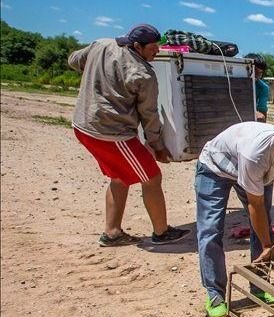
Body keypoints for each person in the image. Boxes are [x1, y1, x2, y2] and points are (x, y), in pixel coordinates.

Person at [68, 23, 190, 246]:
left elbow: (74, 60)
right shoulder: (143, 73)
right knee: (152, 177)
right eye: (153, 48)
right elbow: (149, 115)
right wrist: (157, 146)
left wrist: (97, 76)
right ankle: (162, 232)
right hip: (111, 133)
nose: (157, 51)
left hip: (83, 125)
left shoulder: (101, 45)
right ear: (137, 46)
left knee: (120, 175)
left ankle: (112, 232)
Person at [195, 110, 274, 317]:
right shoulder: (257, 152)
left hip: (259, 174)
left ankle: (259, 286)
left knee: (263, 226)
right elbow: (256, 203)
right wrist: (268, 246)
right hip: (216, 168)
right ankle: (215, 294)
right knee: (210, 229)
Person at [245, 53, 270, 122]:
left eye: (260, 73)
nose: (257, 75)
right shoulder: (232, 83)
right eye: (254, 71)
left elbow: (262, 112)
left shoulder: (263, 88)